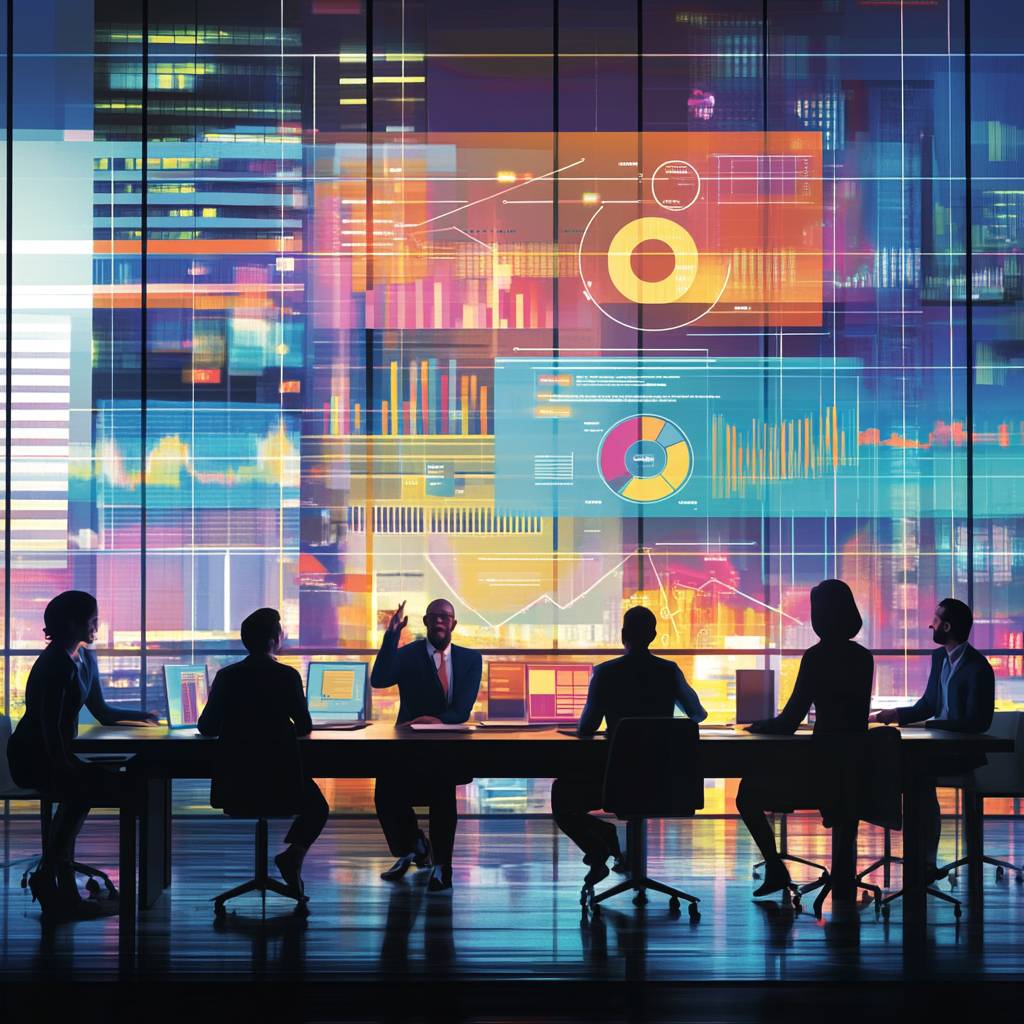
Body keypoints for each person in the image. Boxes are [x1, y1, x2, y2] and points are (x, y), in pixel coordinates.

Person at [6, 590, 159, 917]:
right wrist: (64, 765)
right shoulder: (54, 665)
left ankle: (52, 876)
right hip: (35, 755)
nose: (97, 628)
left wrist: (141, 715)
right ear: (72, 624)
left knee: (95, 787)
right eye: (92, 621)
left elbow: (102, 711)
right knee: (86, 789)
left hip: (57, 752)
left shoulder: (85, 658)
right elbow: (48, 726)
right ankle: (53, 877)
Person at [551, 606, 708, 890]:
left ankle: (600, 843)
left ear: (623, 635)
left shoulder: (606, 673)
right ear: (653, 635)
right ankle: (614, 848)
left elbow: (586, 729)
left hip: (618, 783)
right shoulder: (669, 672)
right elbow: (698, 714)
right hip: (664, 783)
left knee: (562, 794)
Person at [736, 579, 873, 897]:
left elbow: (789, 721)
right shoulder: (863, 658)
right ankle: (842, 874)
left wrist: (758, 726)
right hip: (851, 773)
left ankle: (775, 867)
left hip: (820, 773)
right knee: (844, 801)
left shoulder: (816, 657)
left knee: (747, 796)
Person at [197, 608, 329, 901]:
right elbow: (304, 726)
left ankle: (288, 860)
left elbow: (206, 727)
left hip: (235, 785)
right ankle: (292, 855)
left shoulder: (227, 676)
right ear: (274, 640)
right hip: (281, 785)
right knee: (318, 806)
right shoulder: (287, 676)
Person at [870, 598, 995, 878]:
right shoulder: (939, 658)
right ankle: (920, 858)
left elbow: (978, 722)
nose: (931, 624)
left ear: (947, 627)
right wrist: (891, 715)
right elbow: (927, 703)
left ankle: (923, 860)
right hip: (935, 749)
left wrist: (932, 724)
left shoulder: (978, 667)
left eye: (936, 620)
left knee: (915, 776)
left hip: (962, 755)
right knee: (902, 767)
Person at [371, 598, 482, 893]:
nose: (439, 621)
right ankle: (415, 847)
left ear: (454, 623)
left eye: (445, 616)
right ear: (425, 622)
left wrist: (437, 721)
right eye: (433, 616)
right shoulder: (408, 654)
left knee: (442, 793)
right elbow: (379, 679)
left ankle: (442, 865)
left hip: (446, 748)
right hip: (407, 746)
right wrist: (392, 635)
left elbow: (461, 711)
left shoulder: (471, 659)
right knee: (385, 795)